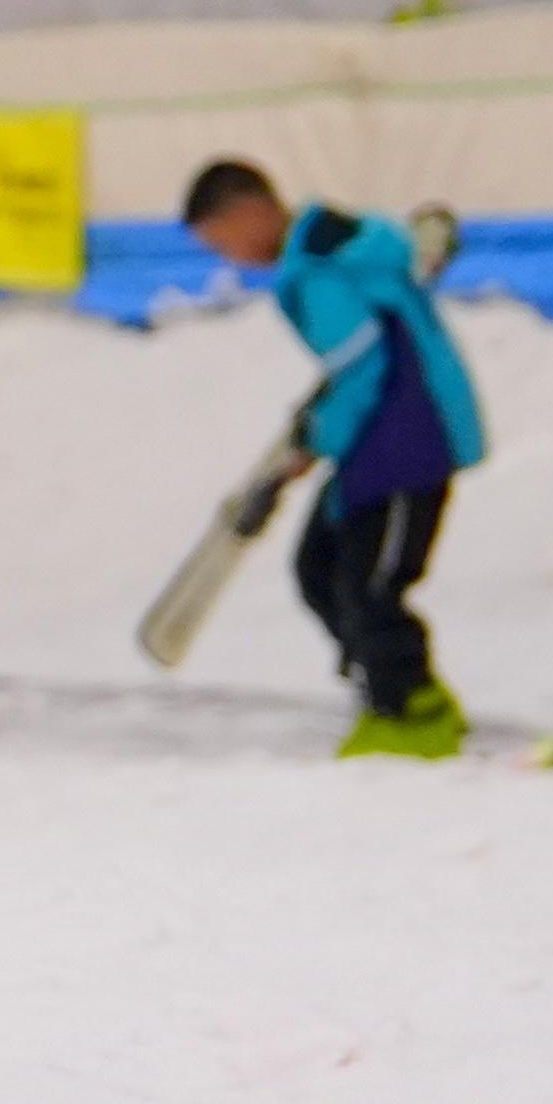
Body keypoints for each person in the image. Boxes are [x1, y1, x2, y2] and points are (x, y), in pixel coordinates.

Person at [182, 156, 482, 758]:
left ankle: (412, 714)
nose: (230, 259)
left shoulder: (318, 270)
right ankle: (388, 690)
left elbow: (363, 366)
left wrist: (315, 440)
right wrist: (316, 436)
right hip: (374, 442)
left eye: (224, 242)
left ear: (253, 212)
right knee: (319, 567)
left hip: (408, 439)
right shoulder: (331, 250)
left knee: (367, 584)